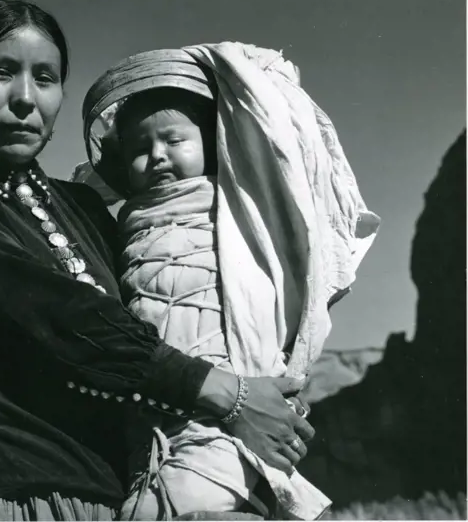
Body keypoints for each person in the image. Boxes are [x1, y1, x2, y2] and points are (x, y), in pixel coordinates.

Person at [0, 0, 315, 521]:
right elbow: (56, 314)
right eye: (0, 72)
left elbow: (162, 312)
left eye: (45, 78)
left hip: (114, 491)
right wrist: (230, 395)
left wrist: (267, 395)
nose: (25, 98)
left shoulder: (87, 207)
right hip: (3, 481)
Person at [78, 45, 380, 520]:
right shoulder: (120, 226)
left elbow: (270, 115)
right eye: (139, 148)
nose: (157, 156)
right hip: (167, 403)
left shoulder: (236, 210)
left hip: (232, 387)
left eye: (174, 140)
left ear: (210, 142)